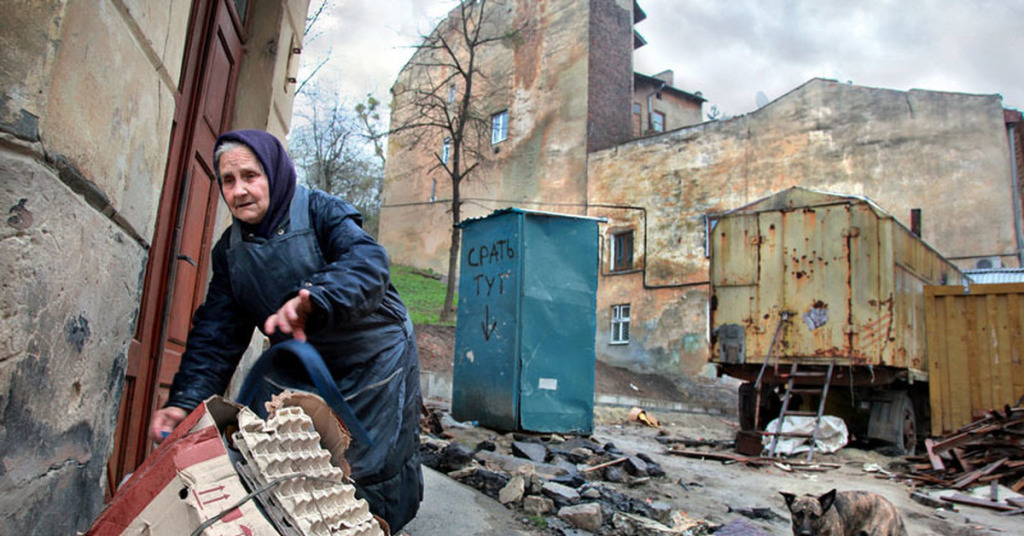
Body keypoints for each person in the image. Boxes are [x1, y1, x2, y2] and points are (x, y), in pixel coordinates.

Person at [148, 129, 423, 531]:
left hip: (372, 361)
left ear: (274, 174)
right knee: (269, 462)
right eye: (228, 180)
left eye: (250, 176)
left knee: (364, 473)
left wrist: (317, 298)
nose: (239, 190)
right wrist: (186, 403)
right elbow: (216, 337)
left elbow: (368, 263)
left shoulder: (321, 211)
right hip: (298, 364)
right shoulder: (230, 252)